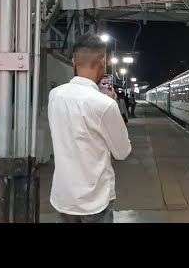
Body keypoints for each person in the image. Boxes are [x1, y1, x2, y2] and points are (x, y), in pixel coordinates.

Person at [48, 34, 132, 223]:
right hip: (95, 201)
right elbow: (122, 152)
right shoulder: (105, 105)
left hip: (64, 197)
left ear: (73, 62)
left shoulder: (55, 96)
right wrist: (111, 107)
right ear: (103, 62)